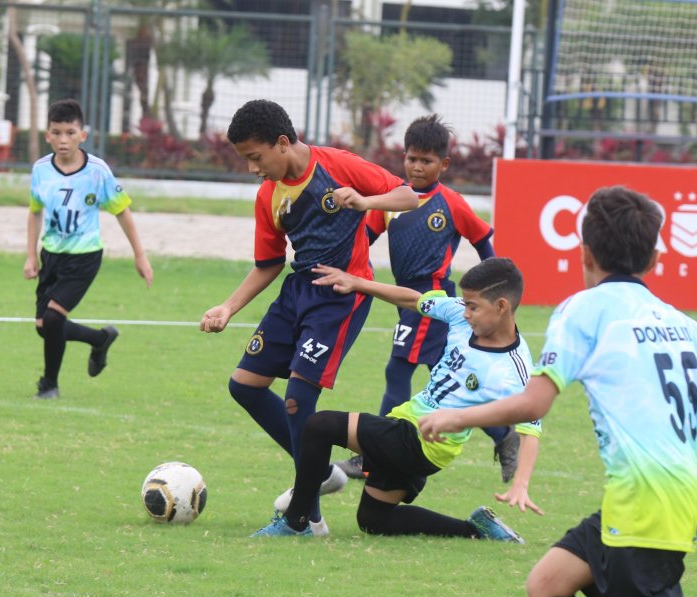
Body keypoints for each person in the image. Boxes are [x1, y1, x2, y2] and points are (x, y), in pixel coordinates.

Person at [420, 186, 697, 597]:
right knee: (547, 584)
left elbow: (536, 401)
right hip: (676, 494)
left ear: (584, 253)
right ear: (656, 257)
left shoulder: (584, 309)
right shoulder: (676, 320)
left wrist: (457, 415)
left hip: (645, 498)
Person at [200, 99, 418, 534]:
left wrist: (364, 200)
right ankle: (318, 473)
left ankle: (305, 519)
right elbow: (268, 262)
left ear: (282, 143)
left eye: (255, 157)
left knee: (300, 398)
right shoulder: (268, 196)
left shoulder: (337, 165)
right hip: (297, 291)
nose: (252, 169)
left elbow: (408, 195)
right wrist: (228, 306)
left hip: (341, 293)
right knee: (245, 385)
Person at [253, 257, 541, 540]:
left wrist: (521, 484)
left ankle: (297, 522)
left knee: (319, 426)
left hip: (424, 442)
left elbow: (531, 430)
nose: (465, 312)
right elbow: (413, 300)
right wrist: (358, 283)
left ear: (502, 306)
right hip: (405, 424)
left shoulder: (515, 369)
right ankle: (476, 531)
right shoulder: (461, 315)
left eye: (473, 307)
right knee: (374, 519)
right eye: (465, 304)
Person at [335, 114, 517, 483]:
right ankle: (504, 434)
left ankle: (373, 454)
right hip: (408, 299)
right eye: (411, 158)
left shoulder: (451, 203)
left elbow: (483, 241)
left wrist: (495, 291)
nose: (417, 167)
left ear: (443, 164)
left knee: (397, 370)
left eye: (427, 160)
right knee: (446, 377)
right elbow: (363, 240)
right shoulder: (392, 201)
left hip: (433, 301)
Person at [24, 99, 153, 399]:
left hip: (84, 258)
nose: (63, 140)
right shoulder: (41, 170)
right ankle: (100, 338)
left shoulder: (97, 171)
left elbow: (122, 211)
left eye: (70, 132)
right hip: (51, 255)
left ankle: (49, 385)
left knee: (55, 319)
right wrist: (31, 255)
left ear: (82, 135)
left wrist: (140, 255)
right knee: (45, 327)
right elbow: (34, 212)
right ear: (48, 135)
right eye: (57, 133)